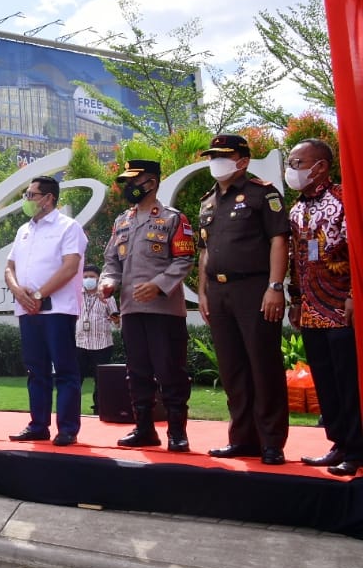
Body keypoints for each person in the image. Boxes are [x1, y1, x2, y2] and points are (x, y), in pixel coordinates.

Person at [197, 133, 291, 466]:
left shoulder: (262, 194)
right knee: (232, 368)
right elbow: (205, 252)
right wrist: (202, 293)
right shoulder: (208, 201)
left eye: (222, 156)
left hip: (254, 289)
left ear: (242, 160)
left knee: (262, 365)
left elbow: (279, 241)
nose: (215, 162)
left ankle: (271, 441)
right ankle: (242, 437)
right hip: (218, 292)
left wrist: (275, 286)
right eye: (211, 156)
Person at [99, 159, 195, 452]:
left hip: (164, 312)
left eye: (133, 182)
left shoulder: (173, 218)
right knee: (137, 371)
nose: (128, 188)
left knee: (170, 371)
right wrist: (108, 281)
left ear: (151, 183)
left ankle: (177, 432)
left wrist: (158, 284)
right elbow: (111, 261)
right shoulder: (122, 221)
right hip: (131, 309)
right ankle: (144, 428)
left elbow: (184, 260)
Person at [285, 139, 361, 476]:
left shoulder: (345, 200)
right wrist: (296, 301)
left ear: (321, 166)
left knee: (349, 383)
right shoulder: (296, 209)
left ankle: (357, 449)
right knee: (326, 383)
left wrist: (354, 295)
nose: (292, 169)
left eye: (297, 162)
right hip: (312, 310)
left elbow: (357, 250)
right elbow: (293, 260)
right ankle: (338, 443)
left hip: (341, 309)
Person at [4, 175, 87, 446]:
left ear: (48, 198)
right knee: (35, 370)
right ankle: (38, 425)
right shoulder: (23, 230)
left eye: (31, 195)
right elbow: (9, 267)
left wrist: (40, 294)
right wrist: (18, 291)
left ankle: (67, 428)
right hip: (27, 309)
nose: (26, 200)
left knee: (64, 370)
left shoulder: (68, 227)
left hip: (57, 310)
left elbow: (70, 266)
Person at [77, 265, 119, 415]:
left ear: (98, 279)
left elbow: (117, 320)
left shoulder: (108, 297)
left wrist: (116, 319)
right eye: (85, 276)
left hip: (102, 344)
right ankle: (72, 408)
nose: (88, 279)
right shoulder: (76, 295)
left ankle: (99, 410)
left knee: (100, 380)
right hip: (79, 343)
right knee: (75, 378)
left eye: (92, 277)